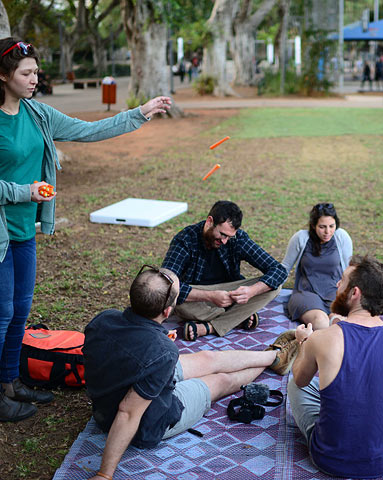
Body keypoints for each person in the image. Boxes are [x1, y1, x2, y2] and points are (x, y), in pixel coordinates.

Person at [0, 37, 171, 422]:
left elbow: (88, 130)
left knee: (19, 312)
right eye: (26, 73)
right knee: (1, 313)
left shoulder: (37, 114)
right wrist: (22, 191)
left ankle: (11, 382)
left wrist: (139, 113)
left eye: (36, 72)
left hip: (25, 229)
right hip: (0, 234)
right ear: (3, 74)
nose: (34, 79)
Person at [83, 265, 299, 480]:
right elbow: (128, 412)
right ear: (167, 312)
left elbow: (126, 349)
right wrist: (104, 474)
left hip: (134, 377)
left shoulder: (104, 319)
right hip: (147, 422)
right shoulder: (162, 351)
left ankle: (274, 357)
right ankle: (276, 360)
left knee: (209, 358)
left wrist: (157, 336)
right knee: (220, 380)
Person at [288, 255, 383, 479]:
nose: (337, 284)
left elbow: (300, 381)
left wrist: (303, 344)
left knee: (295, 380)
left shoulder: (321, 338)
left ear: (355, 293)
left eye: (342, 280)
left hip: (327, 459)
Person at [162, 200, 287, 340]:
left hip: (229, 294)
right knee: (177, 303)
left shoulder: (237, 239)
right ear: (209, 221)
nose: (225, 241)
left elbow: (279, 270)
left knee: (274, 286)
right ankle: (239, 316)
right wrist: (210, 296)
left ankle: (207, 328)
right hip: (196, 296)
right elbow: (166, 282)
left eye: (229, 237)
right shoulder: (185, 240)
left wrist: (252, 291)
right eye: (222, 234)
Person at [281, 203, 352, 330]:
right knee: (321, 322)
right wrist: (268, 289)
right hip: (306, 292)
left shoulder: (342, 237)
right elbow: (285, 267)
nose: (327, 232)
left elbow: (349, 270)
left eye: (331, 226)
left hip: (334, 293)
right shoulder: (301, 238)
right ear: (313, 226)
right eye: (322, 227)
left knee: (341, 323)